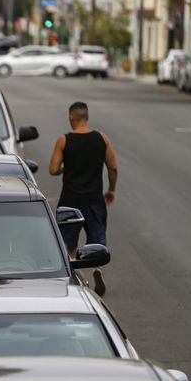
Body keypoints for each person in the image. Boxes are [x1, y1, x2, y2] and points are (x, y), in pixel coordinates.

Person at [48, 101, 118, 296]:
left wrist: (66, 168)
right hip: (94, 199)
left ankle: (73, 275)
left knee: (69, 243)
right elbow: (113, 168)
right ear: (87, 117)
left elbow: (53, 169)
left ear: (71, 117)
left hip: (70, 200)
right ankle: (97, 269)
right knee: (97, 238)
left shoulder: (64, 140)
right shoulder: (101, 138)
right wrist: (111, 190)